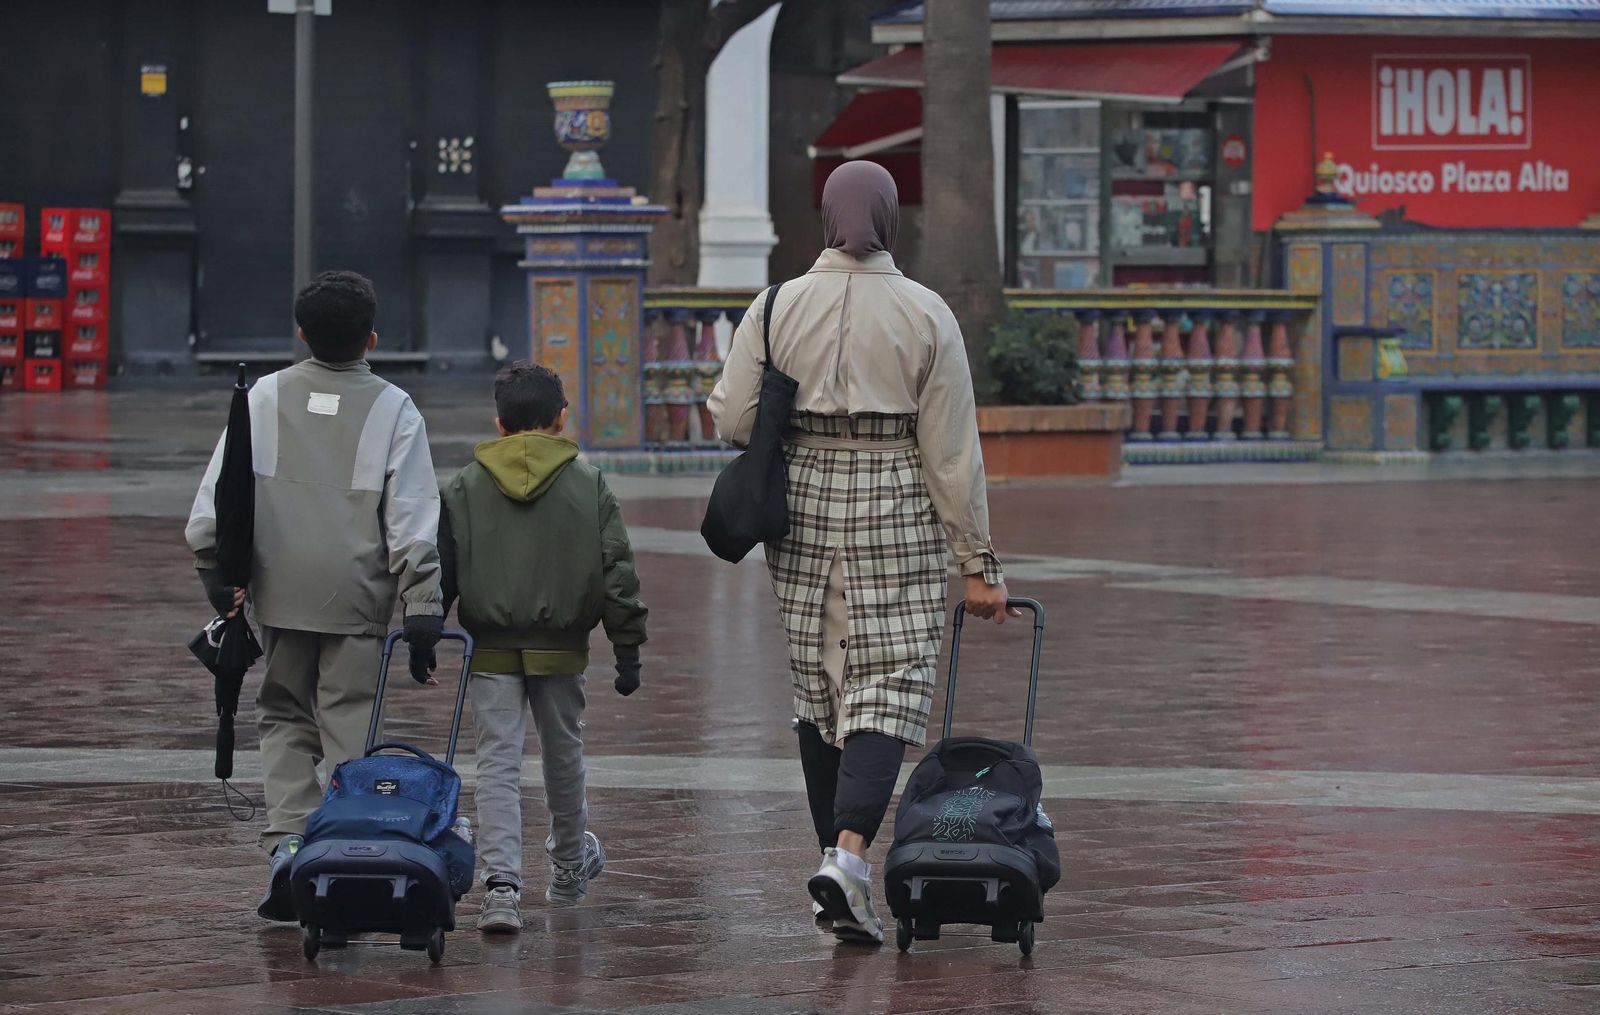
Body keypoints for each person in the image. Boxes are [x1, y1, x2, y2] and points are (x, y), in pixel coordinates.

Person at [707, 160, 1016, 946]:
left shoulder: (775, 305)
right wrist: (977, 563)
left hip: (801, 503)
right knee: (891, 681)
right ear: (887, 217)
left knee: (820, 683)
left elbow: (733, 418)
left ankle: (835, 866)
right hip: (894, 498)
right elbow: (952, 452)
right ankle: (846, 859)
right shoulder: (926, 313)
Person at [185, 270, 444, 920]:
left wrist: (213, 566)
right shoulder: (394, 409)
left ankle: (288, 843)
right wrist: (423, 604)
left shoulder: (264, 396)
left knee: (282, 716)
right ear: (373, 338)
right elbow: (412, 515)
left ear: (300, 332)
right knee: (348, 722)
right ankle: (345, 847)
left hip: (278, 590)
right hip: (358, 598)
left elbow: (221, 493)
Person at [437, 361, 647, 933]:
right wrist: (627, 647)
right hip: (563, 646)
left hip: (491, 648)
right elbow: (617, 572)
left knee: (497, 764)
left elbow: (443, 569)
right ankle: (570, 865)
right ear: (561, 418)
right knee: (563, 755)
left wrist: (426, 629)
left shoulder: (463, 485)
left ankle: (502, 886)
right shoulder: (589, 482)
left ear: (499, 424)